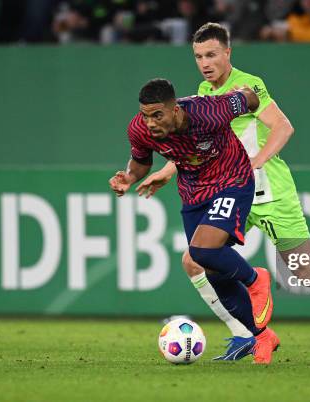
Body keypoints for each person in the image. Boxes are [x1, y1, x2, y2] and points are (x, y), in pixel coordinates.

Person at [137, 22, 310, 362]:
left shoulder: (248, 85)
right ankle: (243, 334)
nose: (205, 62)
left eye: (212, 54)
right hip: (230, 191)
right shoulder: (201, 92)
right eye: (199, 56)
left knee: (305, 270)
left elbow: (283, 126)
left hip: (271, 194)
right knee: (196, 260)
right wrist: (167, 171)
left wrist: (257, 160)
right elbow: (198, 147)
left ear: (228, 53)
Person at [108, 78, 280, 364]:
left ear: (175, 109)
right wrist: (129, 177)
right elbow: (141, 161)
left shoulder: (209, 110)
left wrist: (242, 93)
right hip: (194, 193)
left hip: (232, 180)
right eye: (145, 115)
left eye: (157, 115)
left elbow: (251, 100)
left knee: (201, 252)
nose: (150, 122)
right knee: (214, 273)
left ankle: (255, 278)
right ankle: (262, 336)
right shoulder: (139, 129)